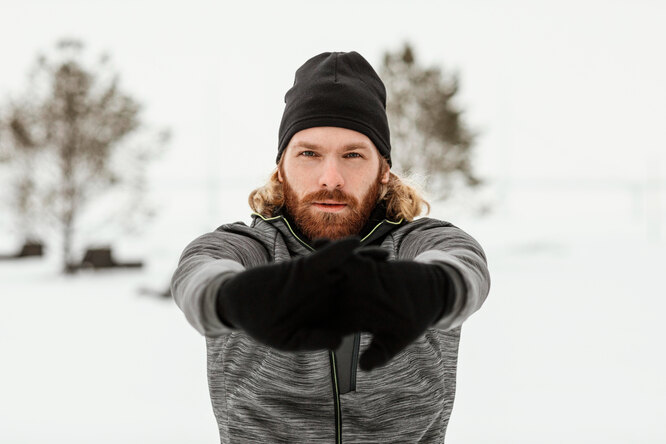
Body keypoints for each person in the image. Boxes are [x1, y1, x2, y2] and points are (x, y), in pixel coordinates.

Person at [170, 51, 491, 443]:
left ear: (384, 170)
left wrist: (434, 288)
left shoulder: (418, 242)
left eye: (353, 155)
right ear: (280, 167)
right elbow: (199, 268)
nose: (331, 178)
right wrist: (232, 297)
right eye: (309, 153)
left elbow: (463, 260)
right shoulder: (247, 247)